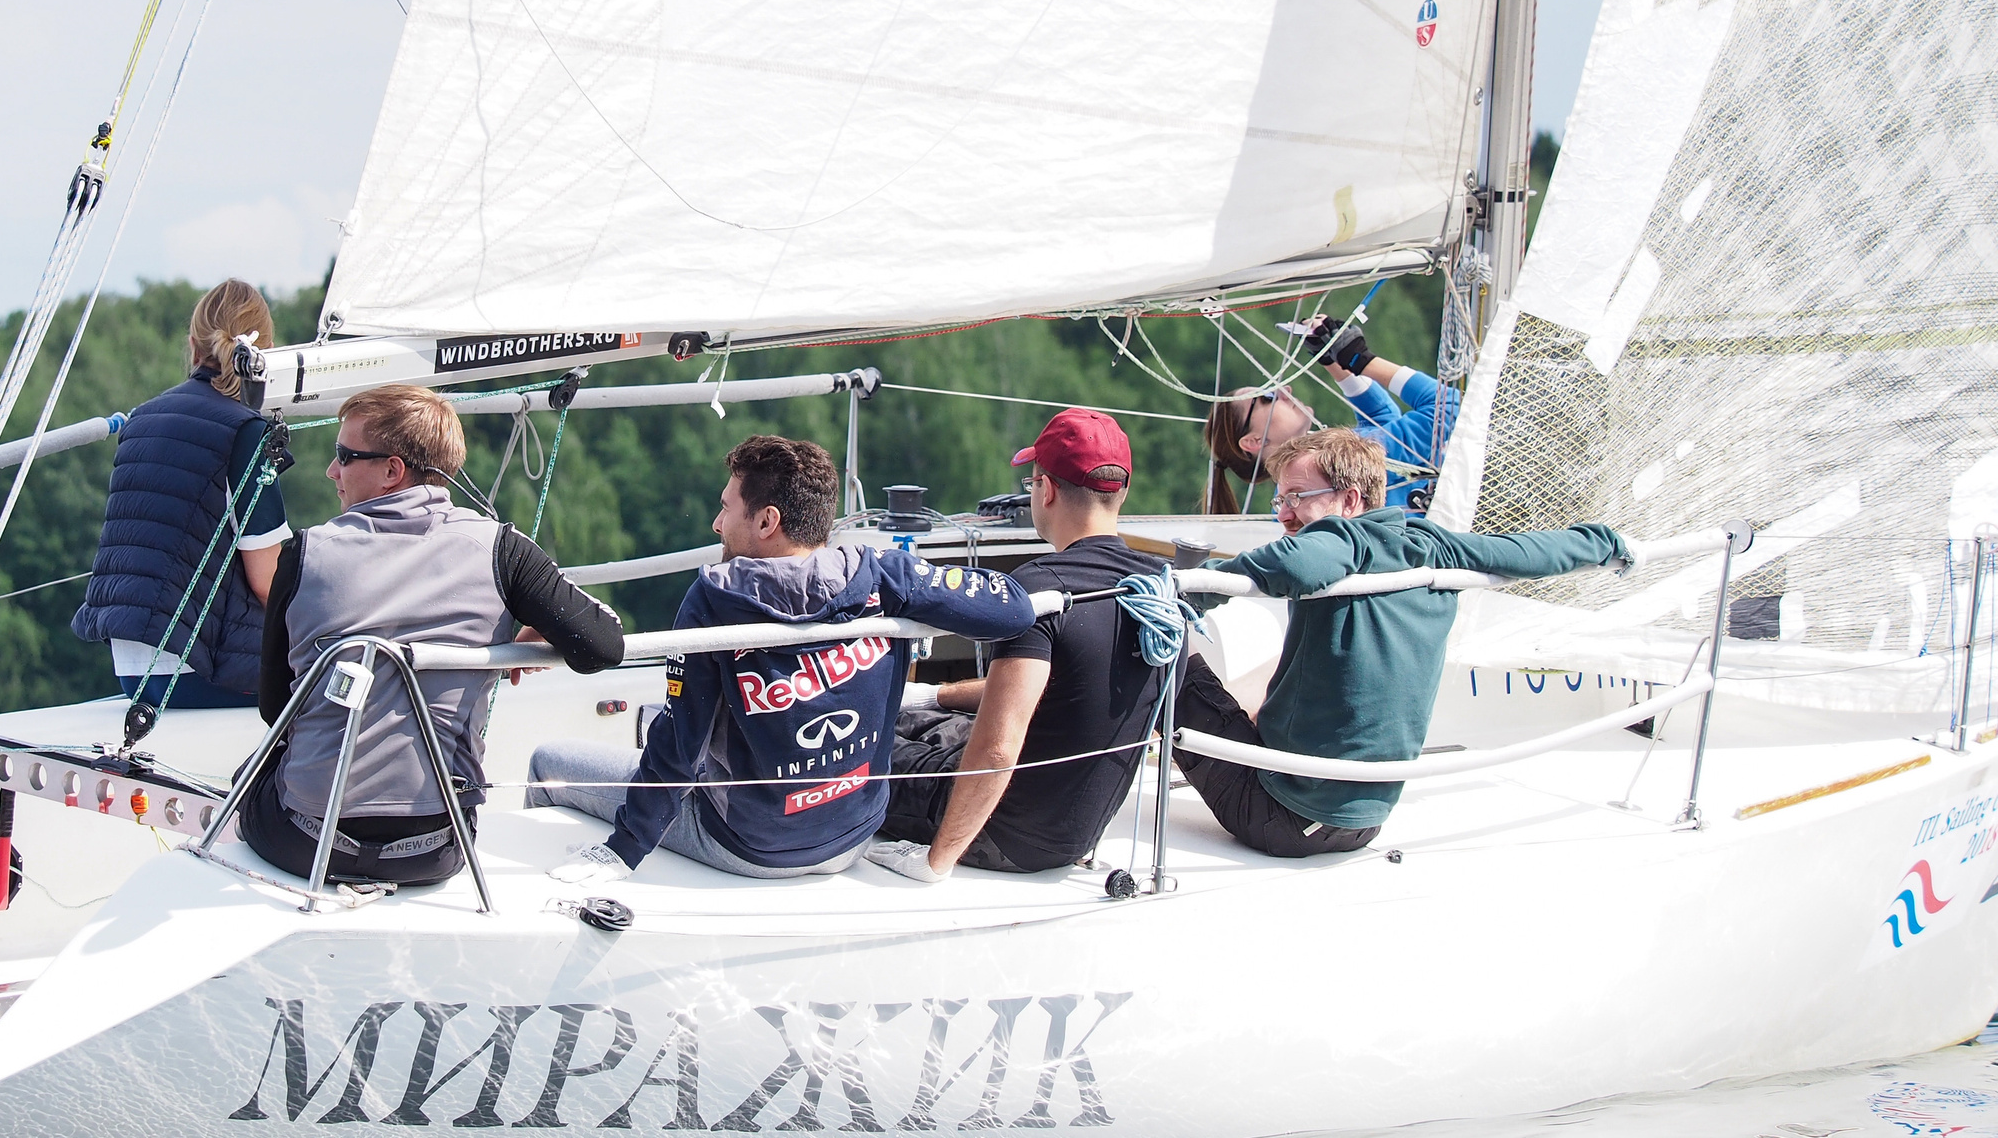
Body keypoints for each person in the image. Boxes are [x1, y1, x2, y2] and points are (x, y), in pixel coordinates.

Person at [537, 435, 1035, 883]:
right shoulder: (884, 575)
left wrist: (622, 851)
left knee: (547, 763)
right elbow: (1012, 609)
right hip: (856, 834)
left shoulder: (714, 600)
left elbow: (678, 750)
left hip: (750, 848)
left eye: (726, 508)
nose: (716, 524)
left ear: (767, 521)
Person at [1174, 425, 1629, 858]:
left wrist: (1186, 589)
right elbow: (1533, 552)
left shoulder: (1342, 540)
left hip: (1280, 816)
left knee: (1160, 647)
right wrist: (1607, 543)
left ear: (1350, 500)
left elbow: (1296, 565)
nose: (1284, 513)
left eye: (1297, 497)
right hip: (1363, 824)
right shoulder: (1435, 547)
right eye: (1280, 499)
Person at [241, 384, 624, 886]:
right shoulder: (501, 551)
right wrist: (535, 630)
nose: (331, 470)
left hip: (304, 843)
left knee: (253, 772)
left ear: (392, 471)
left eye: (344, 455)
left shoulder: (304, 553)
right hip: (435, 849)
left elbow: (276, 708)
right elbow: (602, 646)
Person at [866, 409, 1169, 882]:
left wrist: (935, 861)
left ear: (1045, 490)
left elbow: (997, 751)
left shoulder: (1038, 591)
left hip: (998, 832)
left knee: (856, 748)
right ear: (1122, 491)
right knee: (913, 719)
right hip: (1073, 833)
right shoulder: (1159, 589)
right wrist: (930, 695)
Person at [69, 279, 286, 709]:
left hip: (132, 670)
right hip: (203, 671)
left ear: (192, 346)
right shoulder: (246, 431)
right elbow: (269, 582)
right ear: (267, 353)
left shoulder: (140, 420)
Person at [1199, 316, 1461, 512]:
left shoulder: (1293, 493)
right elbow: (1448, 407)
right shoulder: (1328, 465)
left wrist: (1332, 360)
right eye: (1267, 397)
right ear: (1253, 441)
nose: (1284, 390)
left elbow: (1383, 421)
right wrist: (1362, 360)